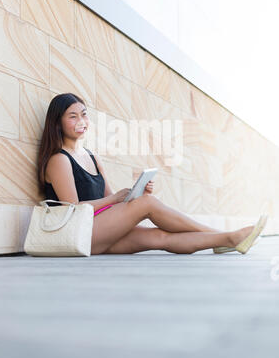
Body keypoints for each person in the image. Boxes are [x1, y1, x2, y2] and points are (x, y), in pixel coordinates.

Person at [37, 93, 266, 256]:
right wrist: (119, 200)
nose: (81, 121)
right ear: (58, 124)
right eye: (73, 116)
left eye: (84, 115)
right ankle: (226, 234)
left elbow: (110, 200)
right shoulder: (59, 160)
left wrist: (131, 196)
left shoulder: (91, 156)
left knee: (160, 238)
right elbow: (73, 210)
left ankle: (228, 240)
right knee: (148, 204)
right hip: (79, 234)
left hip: (101, 230)